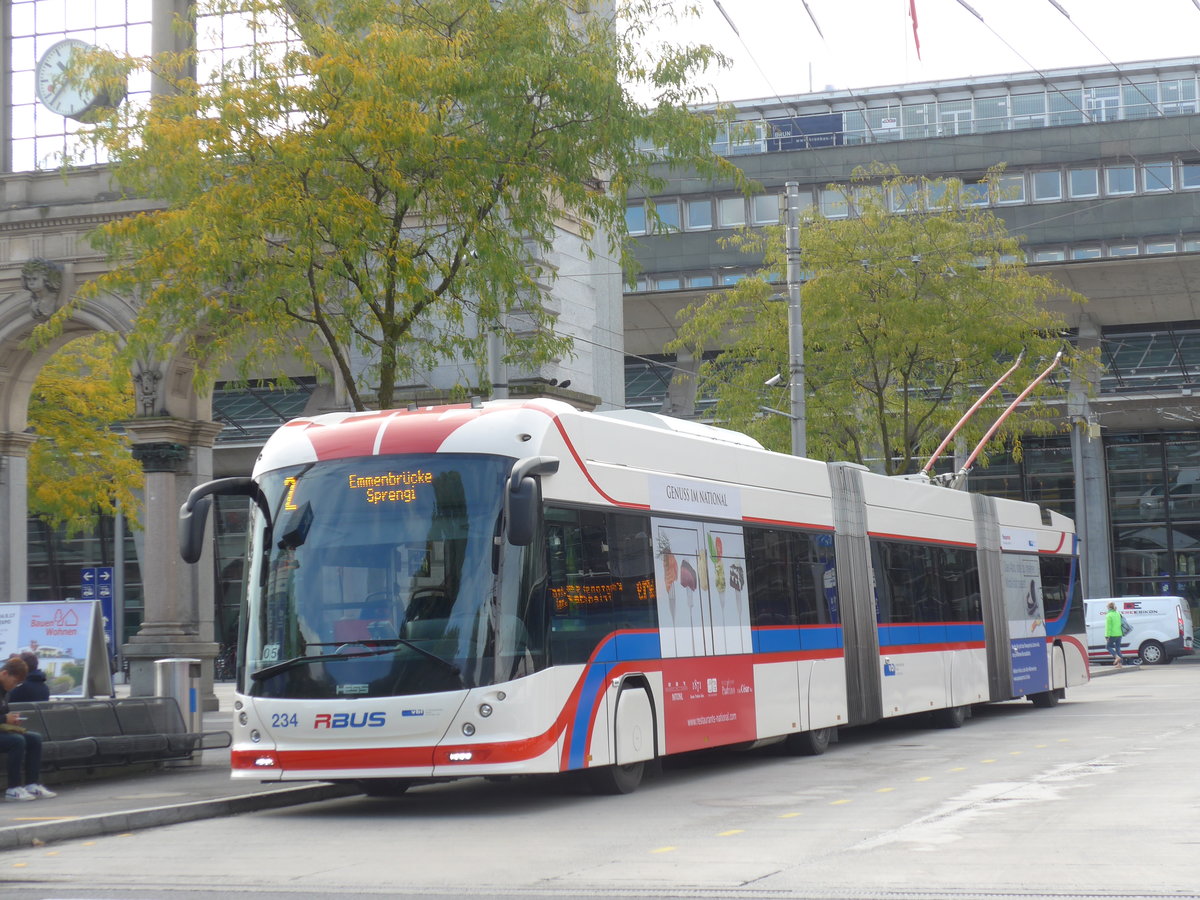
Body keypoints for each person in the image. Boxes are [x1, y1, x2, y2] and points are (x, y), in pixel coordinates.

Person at [0, 657, 56, 801]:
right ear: (4, 674)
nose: (14, 686)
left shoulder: (5, 691)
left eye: (18, 684)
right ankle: (13, 788)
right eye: (14, 682)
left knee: (34, 738)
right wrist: (6, 719)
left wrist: (11, 720)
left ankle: (32, 783)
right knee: (16, 741)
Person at [1104, 601, 1124, 668]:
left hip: (1112, 634)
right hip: (1119, 633)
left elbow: (1108, 627)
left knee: (1108, 647)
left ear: (1109, 607)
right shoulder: (1118, 613)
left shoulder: (1109, 615)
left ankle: (1116, 657)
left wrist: (1107, 636)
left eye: (1107, 606)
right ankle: (1120, 664)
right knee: (1118, 648)